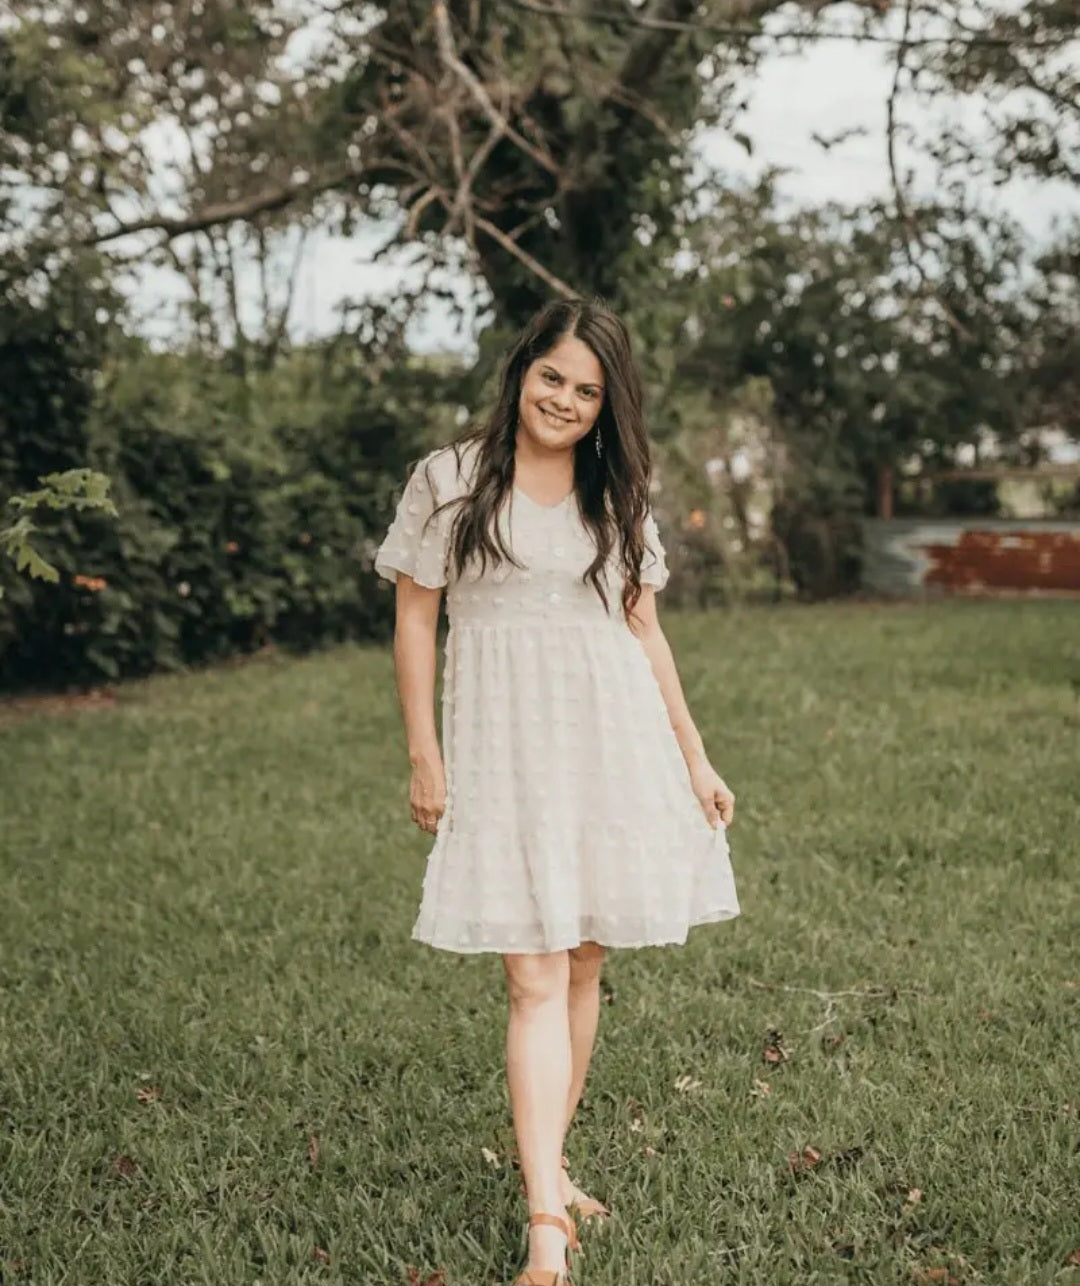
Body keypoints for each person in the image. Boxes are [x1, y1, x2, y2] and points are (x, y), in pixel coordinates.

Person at [373, 296, 740, 1286]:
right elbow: (416, 618)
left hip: (609, 737)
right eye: (552, 377)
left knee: (580, 961)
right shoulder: (451, 479)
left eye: (587, 388)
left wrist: (694, 755)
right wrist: (424, 751)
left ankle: (553, 1166)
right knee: (530, 974)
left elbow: (643, 628)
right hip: (502, 743)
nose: (565, 400)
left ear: (607, 401)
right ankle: (548, 1221)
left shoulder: (617, 490)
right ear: (521, 370)